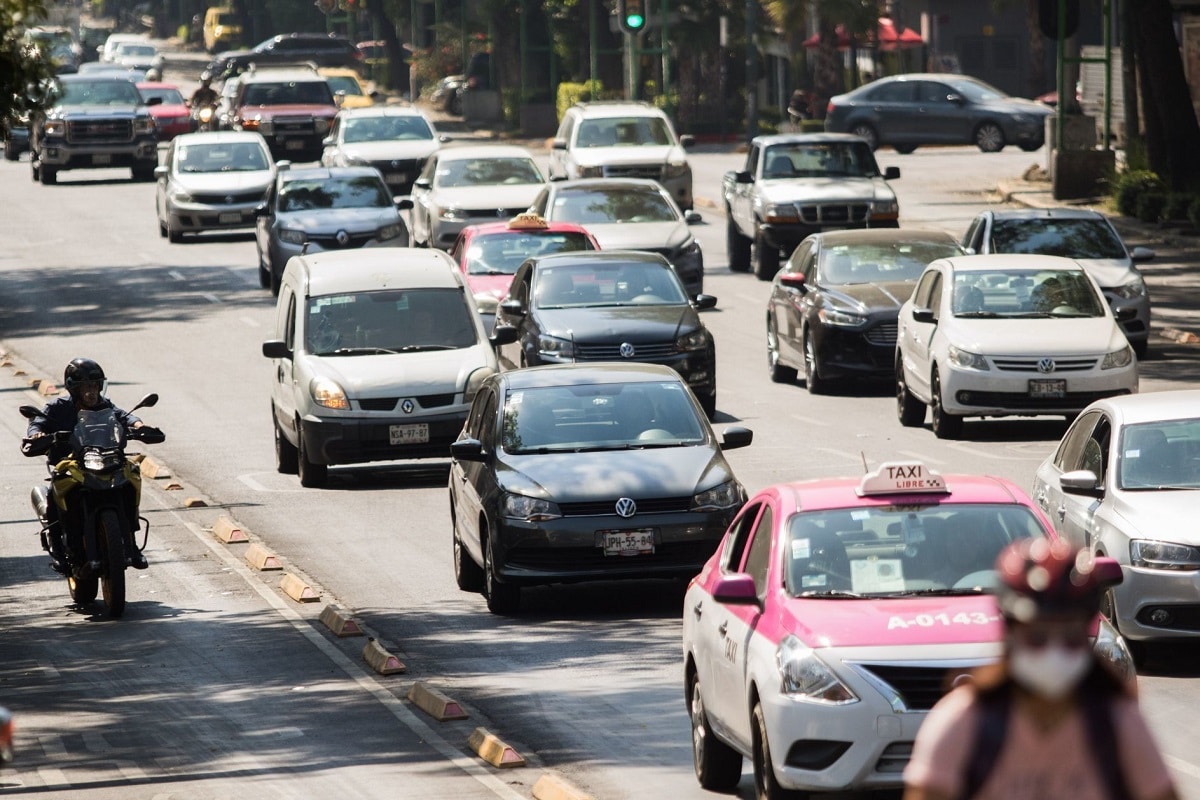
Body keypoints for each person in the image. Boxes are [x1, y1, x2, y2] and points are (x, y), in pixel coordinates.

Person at [903, 538, 1178, 800]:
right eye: (1037, 638)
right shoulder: (962, 726)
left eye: (1070, 639)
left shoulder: (1119, 725)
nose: (1054, 653)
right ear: (1010, 634)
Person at [24, 358, 150, 572]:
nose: (90, 392)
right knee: (57, 490)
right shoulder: (58, 407)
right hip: (70, 462)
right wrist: (37, 434)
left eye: (94, 386)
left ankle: (132, 543)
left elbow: (123, 416)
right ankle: (58, 549)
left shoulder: (105, 406)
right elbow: (38, 421)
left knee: (131, 476)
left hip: (106, 457)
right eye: (85, 387)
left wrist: (138, 425)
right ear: (74, 389)